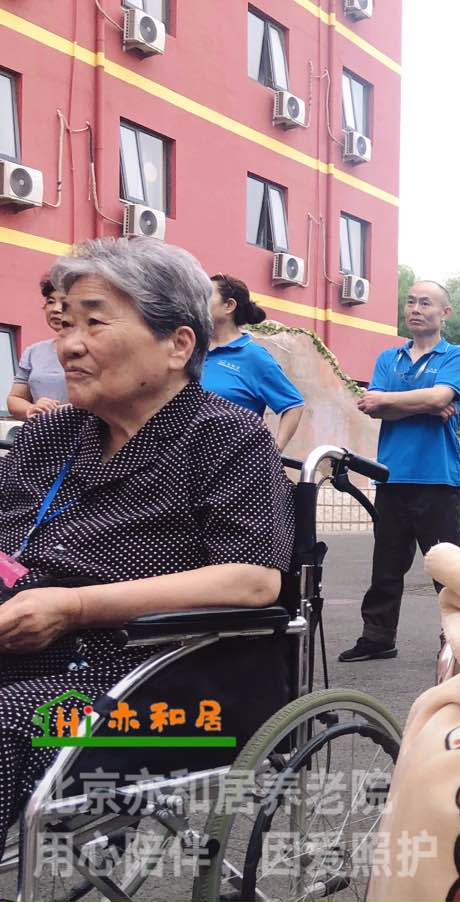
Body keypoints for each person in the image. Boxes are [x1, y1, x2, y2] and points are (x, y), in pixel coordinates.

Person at [0, 237, 294, 844]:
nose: (68, 345)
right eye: (65, 324)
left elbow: (252, 579)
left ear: (177, 344)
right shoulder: (48, 435)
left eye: (94, 322)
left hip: (153, 687)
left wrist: (72, 607)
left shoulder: (226, 436)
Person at [339, 279, 460, 663]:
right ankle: (377, 638)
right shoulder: (389, 358)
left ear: (444, 313)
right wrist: (425, 403)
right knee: (386, 567)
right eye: (411, 301)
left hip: (438, 480)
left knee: (448, 570)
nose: (415, 308)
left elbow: (439, 397)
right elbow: (372, 405)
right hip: (391, 477)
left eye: (425, 303)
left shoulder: (456, 356)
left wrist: (398, 401)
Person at [201, 274, 305, 449]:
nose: (197, 301)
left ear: (229, 306)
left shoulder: (254, 357)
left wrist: (273, 451)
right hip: (185, 459)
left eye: (206, 295)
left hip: (230, 462)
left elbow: (294, 405)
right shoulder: (193, 350)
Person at [6, 277, 69, 420]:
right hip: (42, 429)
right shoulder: (33, 351)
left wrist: (64, 411)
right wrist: (32, 408)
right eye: (51, 301)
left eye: (64, 302)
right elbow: (15, 399)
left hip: (81, 429)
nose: (56, 309)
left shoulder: (93, 349)